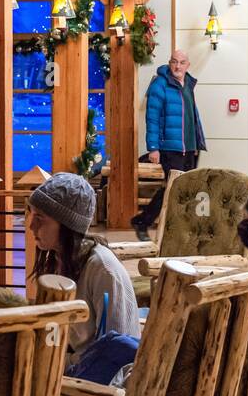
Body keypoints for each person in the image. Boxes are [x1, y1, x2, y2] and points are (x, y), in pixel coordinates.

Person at [26, 172, 140, 358]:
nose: (31, 226)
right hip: (65, 368)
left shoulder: (103, 270)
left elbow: (118, 350)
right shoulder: (58, 260)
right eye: (31, 214)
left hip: (96, 380)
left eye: (40, 217)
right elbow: (53, 332)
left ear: (67, 225)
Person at [130, 49, 206, 241]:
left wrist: (197, 142)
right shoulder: (160, 84)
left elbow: (191, 116)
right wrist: (153, 148)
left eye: (181, 62)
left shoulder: (188, 83)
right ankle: (143, 221)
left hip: (189, 147)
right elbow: (152, 118)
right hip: (170, 147)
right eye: (174, 62)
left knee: (186, 187)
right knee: (172, 187)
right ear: (169, 63)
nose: (177, 66)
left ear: (188, 65)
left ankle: (179, 228)